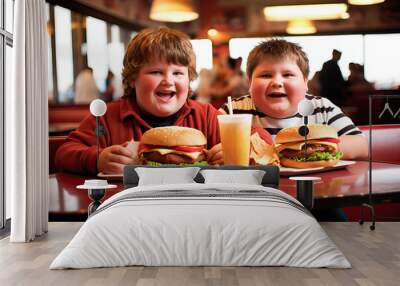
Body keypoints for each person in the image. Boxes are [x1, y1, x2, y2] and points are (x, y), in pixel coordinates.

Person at [212, 39, 368, 221]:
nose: (277, 82)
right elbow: (211, 151)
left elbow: (362, 146)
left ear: (305, 82)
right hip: (251, 201)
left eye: (288, 75)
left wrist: (309, 149)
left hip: (314, 199)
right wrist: (223, 153)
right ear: (250, 82)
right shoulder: (234, 111)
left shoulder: (321, 108)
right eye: (265, 75)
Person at [55, 27, 222, 175]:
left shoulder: (206, 115)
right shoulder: (108, 117)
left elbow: (247, 146)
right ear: (132, 79)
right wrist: (97, 159)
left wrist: (229, 154)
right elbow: (64, 153)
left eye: (178, 73)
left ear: (189, 78)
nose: (168, 81)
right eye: (156, 72)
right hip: (124, 205)